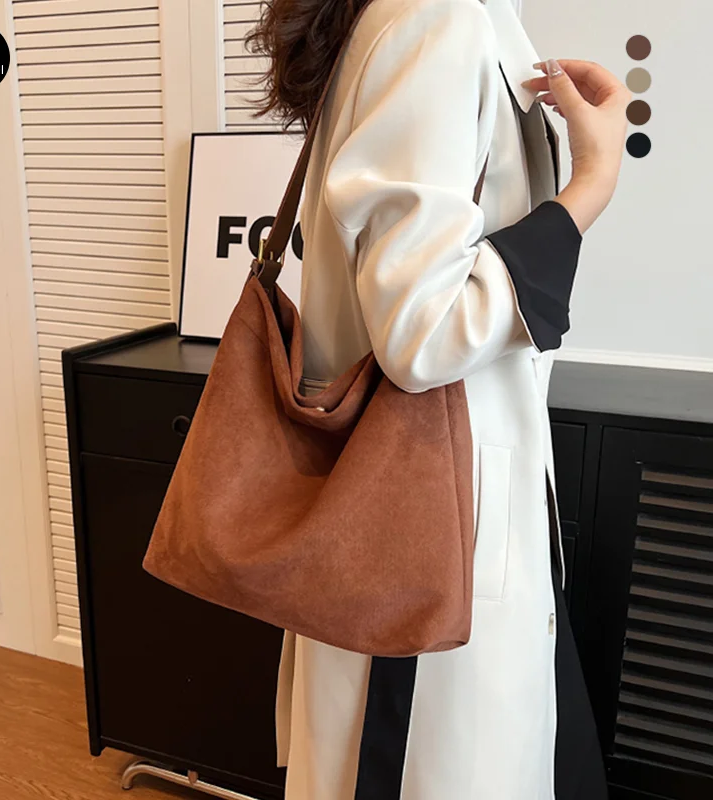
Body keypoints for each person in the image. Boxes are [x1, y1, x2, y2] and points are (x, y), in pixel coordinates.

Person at [245, 0, 631, 798]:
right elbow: (422, 330)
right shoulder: (438, 19)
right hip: (428, 532)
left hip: (440, 515)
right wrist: (591, 183)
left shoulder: (456, 17)